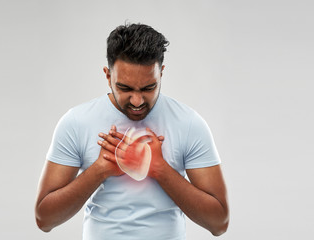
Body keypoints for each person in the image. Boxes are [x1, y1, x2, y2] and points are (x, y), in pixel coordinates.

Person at [35, 23, 229, 239]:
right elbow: (45, 220)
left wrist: (158, 168)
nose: (137, 101)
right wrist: (100, 169)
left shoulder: (189, 123)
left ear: (161, 74)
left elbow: (219, 223)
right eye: (125, 88)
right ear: (108, 76)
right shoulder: (76, 122)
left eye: (148, 88)